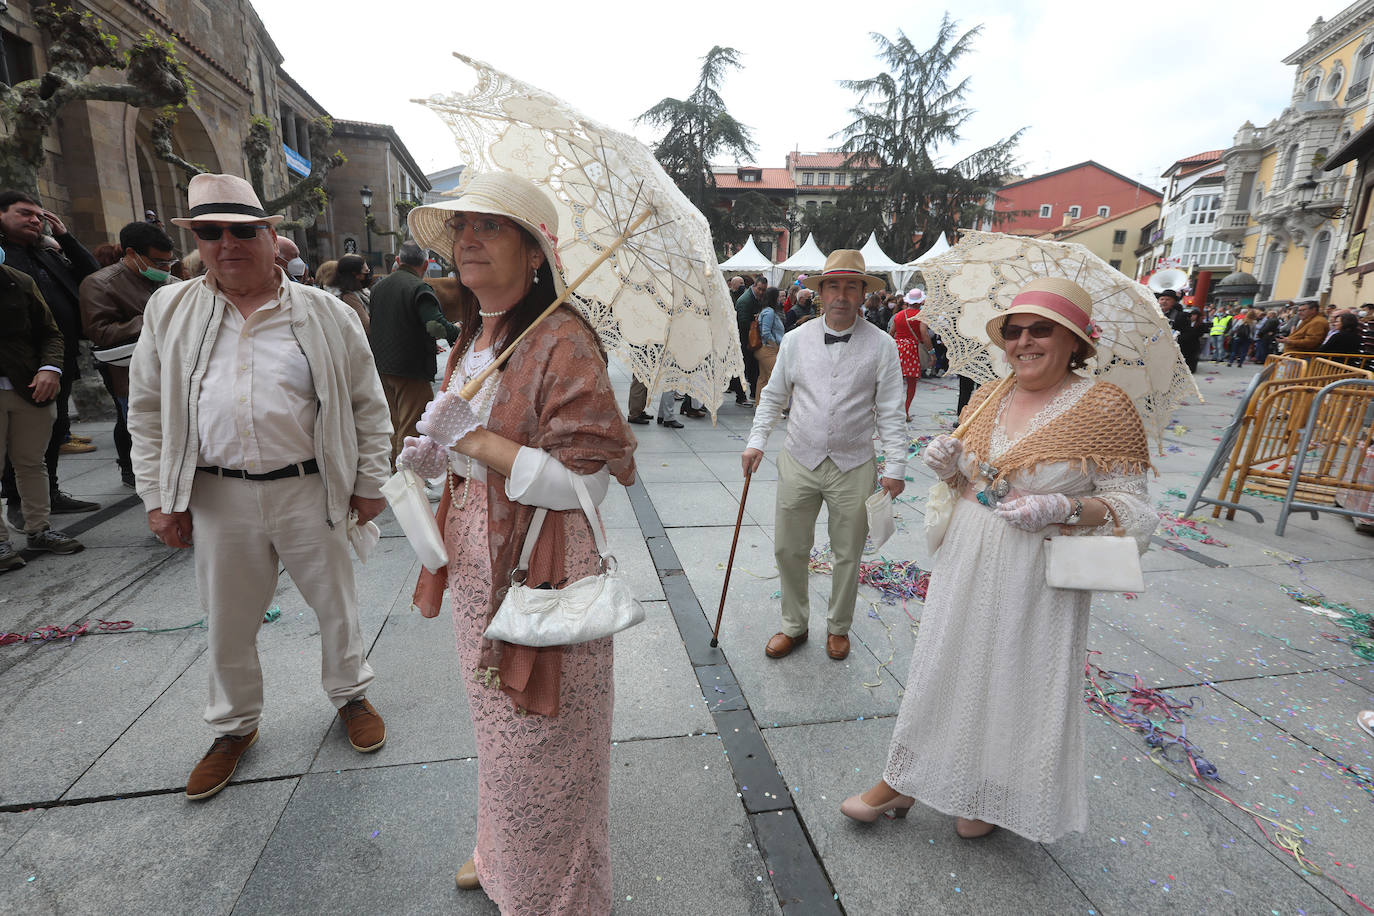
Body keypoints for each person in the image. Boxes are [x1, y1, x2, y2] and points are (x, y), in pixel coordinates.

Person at [841, 277, 1156, 841]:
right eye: (1014, 331)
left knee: (1017, 674)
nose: (1024, 342)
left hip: (1038, 568)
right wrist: (948, 462)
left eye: (1041, 330)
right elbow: (977, 477)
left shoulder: (1106, 406)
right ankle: (904, 779)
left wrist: (1068, 503)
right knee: (945, 664)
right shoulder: (989, 393)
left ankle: (989, 789)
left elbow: (1136, 510)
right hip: (968, 552)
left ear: (1076, 341)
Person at [400, 171, 637, 912]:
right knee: (498, 732)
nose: (468, 239)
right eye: (461, 226)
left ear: (535, 252)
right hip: (477, 557)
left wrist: (474, 437)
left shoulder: (565, 340)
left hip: (545, 563)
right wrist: (440, 457)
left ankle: (554, 895)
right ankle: (502, 853)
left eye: (491, 227)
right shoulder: (477, 334)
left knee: (545, 744)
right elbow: (473, 453)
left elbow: (582, 487)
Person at [127, 173, 392, 801]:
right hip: (220, 495)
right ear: (196, 241)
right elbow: (146, 409)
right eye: (210, 233)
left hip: (309, 487)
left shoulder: (327, 312)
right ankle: (233, 728)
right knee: (227, 620)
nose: (227, 244)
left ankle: (351, 696)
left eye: (243, 231)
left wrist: (370, 481)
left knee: (336, 604)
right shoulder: (171, 308)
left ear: (272, 237)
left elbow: (367, 404)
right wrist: (158, 498)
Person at [742, 250, 906, 662]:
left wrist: (897, 465)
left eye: (852, 286)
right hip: (800, 456)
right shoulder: (796, 340)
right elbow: (774, 396)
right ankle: (794, 625)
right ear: (821, 292)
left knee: (848, 551)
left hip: (854, 464)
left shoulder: (882, 345)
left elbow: (890, 409)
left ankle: (838, 627)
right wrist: (756, 441)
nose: (842, 294)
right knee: (788, 548)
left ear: (863, 293)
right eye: (834, 285)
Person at [0, 191, 101, 526]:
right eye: (24, 213)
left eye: (37, 215)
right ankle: (18, 501)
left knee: (55, 430)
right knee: (18, 443)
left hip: (57, 358)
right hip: (16, 364)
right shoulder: (5, 258)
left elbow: (92, 277)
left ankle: (49, 494)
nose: (34, 219)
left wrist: (65, 238)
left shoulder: (45, 253)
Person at [0, 256, 85, 570]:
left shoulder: (18, 281)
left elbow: (50, 332)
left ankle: (39, 529)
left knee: (32, 463)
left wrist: (50, 369)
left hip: (28, 387)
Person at [79, 221, 176, 488]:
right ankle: (143, 478)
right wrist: (152, 319)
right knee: (142, 429)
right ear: (131, 253)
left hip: (175, 368)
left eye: (169, 262)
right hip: (130, 374)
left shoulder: (169, 280)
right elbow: (100, 333)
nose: (165, 268)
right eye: (158, 262)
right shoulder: (100, 284)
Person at [368, 240, 459, 466]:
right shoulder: (419, 288)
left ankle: (393, 473)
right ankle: (407, 480)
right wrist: (455, 331)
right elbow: (434, 326)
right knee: (412, 428)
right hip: (410, 369)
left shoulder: (378, 287)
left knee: (393, 425)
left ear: (399, 261)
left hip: (381, 367)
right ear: (426, 264)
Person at [890, 289, 929, 421]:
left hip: (897, 349)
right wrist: (931, 352)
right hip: (912, 350)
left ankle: (891, 411)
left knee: (894, 382)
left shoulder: (899, 315)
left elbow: (891, 333)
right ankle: (905, 412)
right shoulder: (921, 315)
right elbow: (924, 333)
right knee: (911, 383)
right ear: (920, 302)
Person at [735, 275, 766, 401]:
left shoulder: (756, 298)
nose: (761, 292)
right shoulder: (745, 300)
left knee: (753, 367)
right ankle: (741, 396)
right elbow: (742, 323)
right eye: (759, 289)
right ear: (754, 286)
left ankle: (752, 392)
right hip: (744, 340)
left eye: (764, 290)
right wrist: (756, 322)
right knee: (743, 368)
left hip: (751, 339)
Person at [327, 253, 371, 334]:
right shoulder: (349, 297)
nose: (368, 274)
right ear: (355, 274)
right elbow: (366, 327)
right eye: (366, 271)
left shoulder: (361, 292)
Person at [754, 285, 785, 395]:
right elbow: (766, 332)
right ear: (774, 298)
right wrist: (775, 346)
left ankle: (760, 406)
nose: (780, 299)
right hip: (768, 348)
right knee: (775, 378)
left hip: (765, 349)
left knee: (763, 379)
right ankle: (773, 408)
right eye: (778, 297)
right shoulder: (770, 312)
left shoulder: (766, 311)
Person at [1177, 309, 1206, 373]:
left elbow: (1200, 333)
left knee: (1192, 357)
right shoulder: (1186, 322)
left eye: (1195, 315)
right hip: (1184, 342)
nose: (1193, 316)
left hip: (1194, 343)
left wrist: (1191, 331)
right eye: (1192, 315)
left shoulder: (1200, 324)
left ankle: (1192, 369)